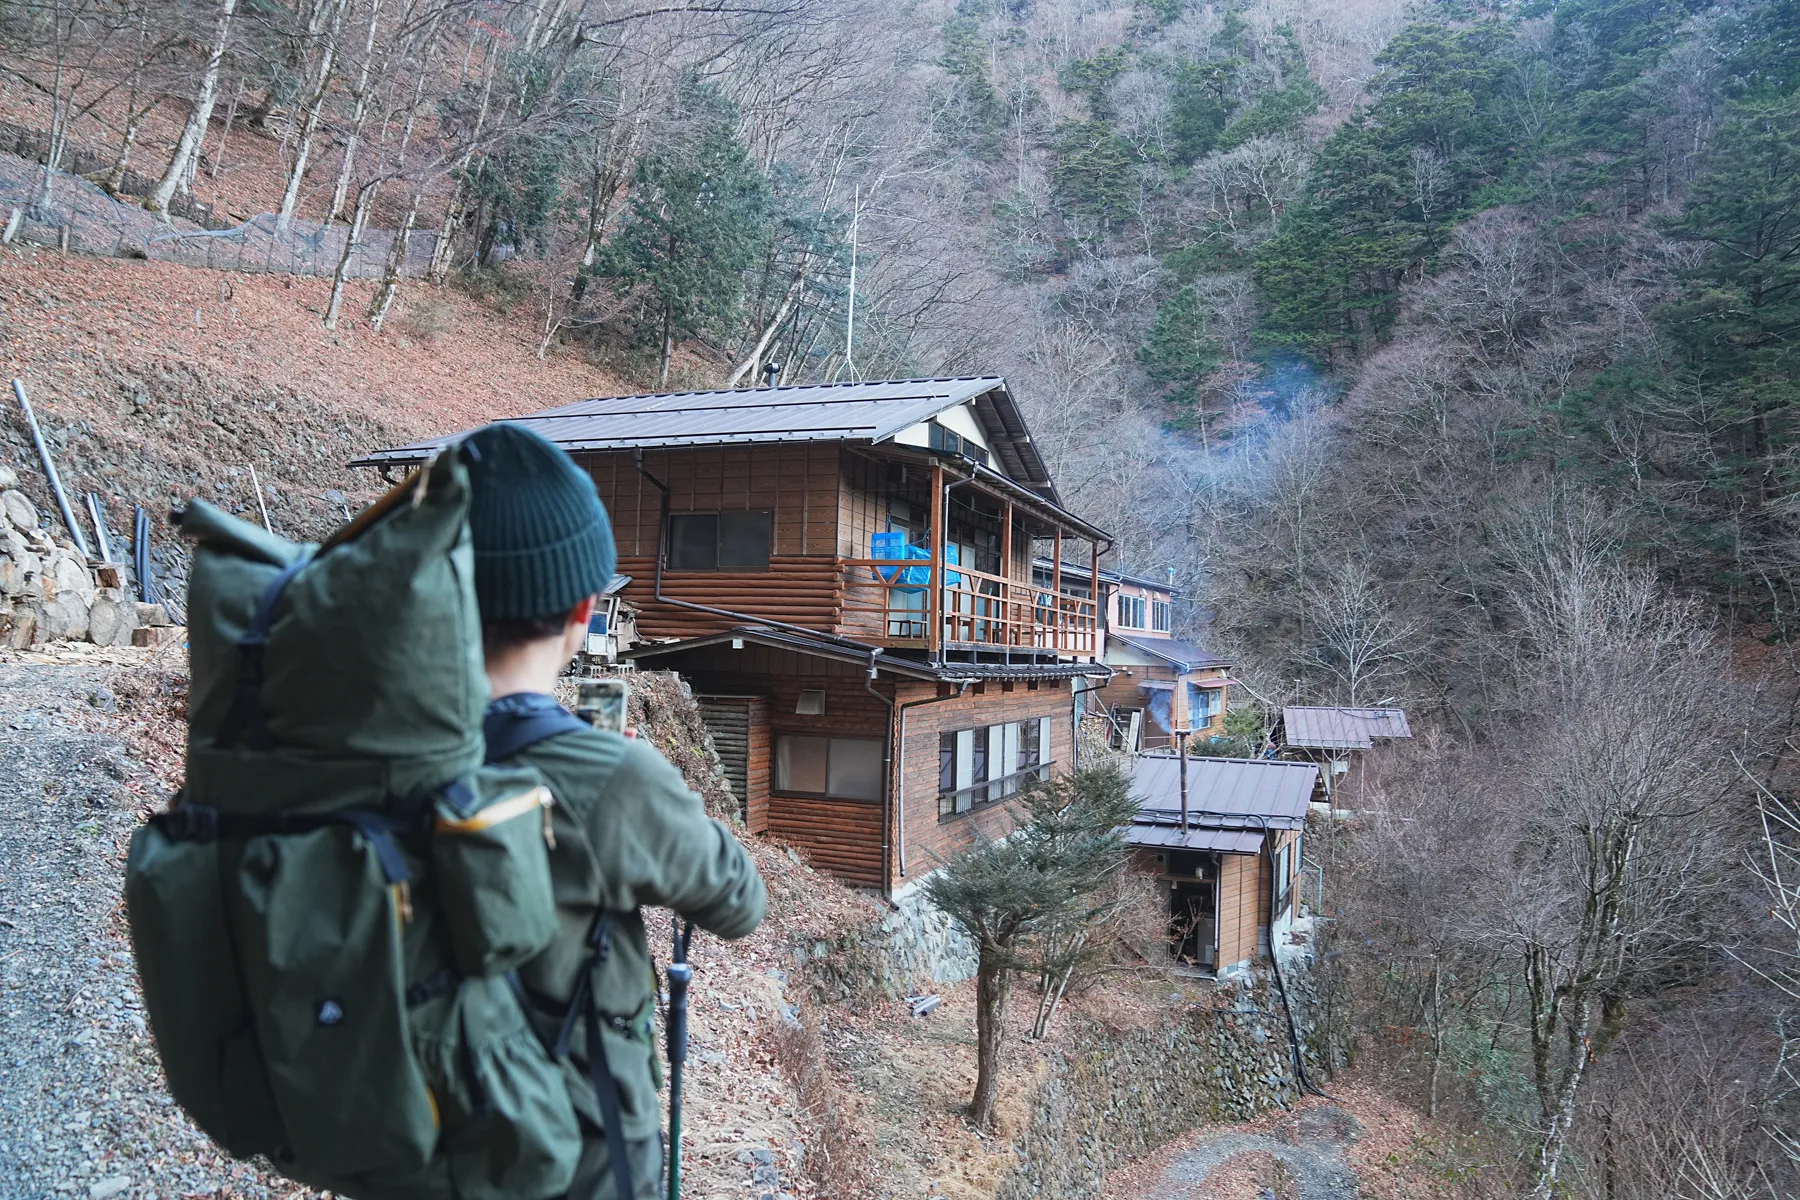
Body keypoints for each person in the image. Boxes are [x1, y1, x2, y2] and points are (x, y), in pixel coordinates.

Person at [462, 421, 768, 1200]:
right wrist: (653, 778)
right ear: (583, 609)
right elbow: (738, 900)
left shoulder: (370, 749)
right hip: (574, 1150)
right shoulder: (610, 776)